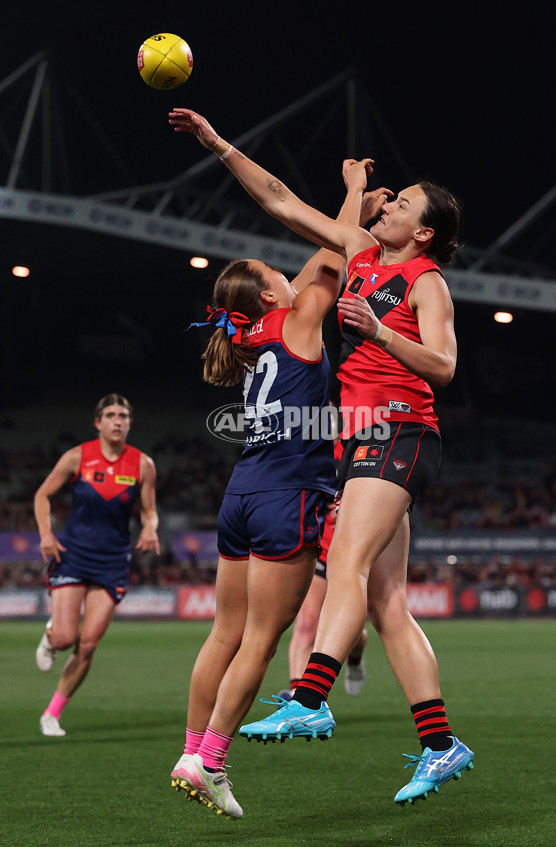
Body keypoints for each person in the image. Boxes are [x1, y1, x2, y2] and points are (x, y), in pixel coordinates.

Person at [169, 108, 474, 808]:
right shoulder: (359, 255)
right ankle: (439, 743)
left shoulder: (426, 281)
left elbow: (447, 367)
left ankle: (310, 695)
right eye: (389, 200)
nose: (387, 205)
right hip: (358, 440)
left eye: (400, 204)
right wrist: (218, 144)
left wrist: (381, 335)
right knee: (388, 602)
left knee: (347, 567)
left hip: (398, 427)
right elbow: (278, 198)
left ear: (422, 232)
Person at [167, 158, 388, 819]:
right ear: (270, 295)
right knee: (262, 639)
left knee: (224, 632)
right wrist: (353, 193)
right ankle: (210, 758)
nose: (283, 274)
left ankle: (189, 750)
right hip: (287, 494)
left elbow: (309, 269)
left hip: (242, 489)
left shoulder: (255, 330)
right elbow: (332, 254)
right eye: (273, 274)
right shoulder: (296, 320)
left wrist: (354, 199)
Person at [33, 394, 160, 737]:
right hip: (73, 554)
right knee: (64, 638)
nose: (118, 421)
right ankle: (50, 635)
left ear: (130, 423)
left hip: (113, 560)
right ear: (98, 422)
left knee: (87, 645)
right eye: (111, 415)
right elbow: (42, 495)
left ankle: (52, 714)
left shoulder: (143, 464)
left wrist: (150, 527)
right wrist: (45, 534)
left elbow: (149, 510)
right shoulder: (77, 457)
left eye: (123, 415)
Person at [278, 442, 368, 701]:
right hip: (318, 548)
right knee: (307, 623)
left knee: (352, 631)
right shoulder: (302, 448)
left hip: (352, 551)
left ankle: (355, 658)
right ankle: (297, 693)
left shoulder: (356, 444)